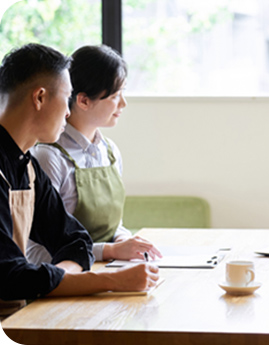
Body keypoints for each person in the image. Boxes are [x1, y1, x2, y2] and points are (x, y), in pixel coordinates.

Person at [0, 43, 159, 315]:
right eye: (67, 97)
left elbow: (76, 242)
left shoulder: (27, 166)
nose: (68, 111)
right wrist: (110, 280)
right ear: (40, 98)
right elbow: (10, 276)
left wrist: (59, 279)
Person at [29, 45, 161, 263]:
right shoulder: (48, 157)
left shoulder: (109, 152)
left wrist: (123, 240)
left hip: (108, 271)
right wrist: (110, 251)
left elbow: (113, 227)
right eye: (115, 95)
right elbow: (37, 252)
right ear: (83, 100)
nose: (123, 103)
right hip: (66, 283)